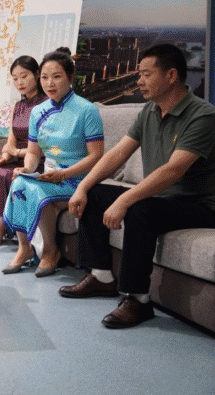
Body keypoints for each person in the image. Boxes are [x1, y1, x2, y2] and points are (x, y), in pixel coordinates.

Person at [59, 44, 215, 329]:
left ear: (171, 75)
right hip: (162, 198)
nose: (139, 80)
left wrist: (124, 200)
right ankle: (102, 276)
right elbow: (117, 154)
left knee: (139, 210)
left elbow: (174, 170)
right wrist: (83, 187)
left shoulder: (202, 115)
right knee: (95, 194)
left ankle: (138, 299)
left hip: (199, 204)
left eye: (145, 74)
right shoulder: (149, 112)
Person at [1, 48, 104, 277]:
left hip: (78, 179)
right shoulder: (38, 112)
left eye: (57, 76)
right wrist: (26, 168)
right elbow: (33, 152)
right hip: (51, 177)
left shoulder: (87, 110)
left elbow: (96, 156)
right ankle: (24, 248)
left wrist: (64, 175)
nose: (49, 83)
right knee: (19, 183)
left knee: (40, 192)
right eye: (45, 77)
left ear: (70, 77)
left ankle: (50, 250)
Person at [0, 55, 47, 247]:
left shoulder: (46, 105)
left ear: (37, 75)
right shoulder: (18, 106)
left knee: (9, 176)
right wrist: (3, 157)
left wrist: (14, 152)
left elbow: (43, 148)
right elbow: (11, 141)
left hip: (38, 162)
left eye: (24, 76)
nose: (19, 82)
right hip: (17, 157)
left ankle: (0, 228)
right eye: (15, 78)